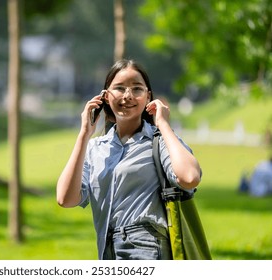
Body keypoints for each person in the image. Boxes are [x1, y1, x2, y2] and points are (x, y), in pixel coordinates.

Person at [56, 59, 202, 260]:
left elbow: (190, 177)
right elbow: (65, 199)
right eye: (120, 88)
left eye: (137, 89)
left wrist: (163, 124)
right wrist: (84, 135)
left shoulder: (159, 141)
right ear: (105, 96)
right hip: (107, 249)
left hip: (147, 246)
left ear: (148, 97)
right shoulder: (95, 149)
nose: (128, 96)